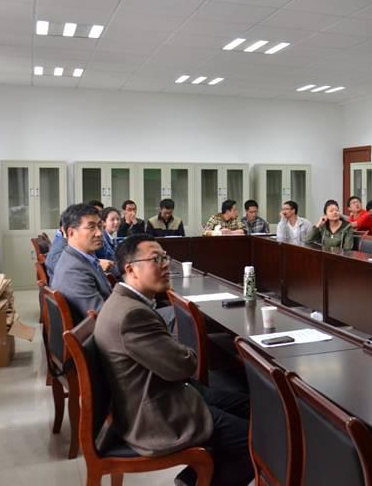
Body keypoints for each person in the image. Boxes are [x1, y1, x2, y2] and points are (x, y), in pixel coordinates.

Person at [94, 234, 252, 486]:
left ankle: (191, 479)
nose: (166, 264)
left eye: (165, 257)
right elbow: (183, 366)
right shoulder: (132, 315)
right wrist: (181, 347)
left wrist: (176, 347)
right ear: (130, 269)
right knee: (253, 443)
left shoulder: (125, 301)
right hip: (156, 415)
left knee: (248, 406)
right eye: (156, 259)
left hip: (158, 395)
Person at [50, 203, 113, 322]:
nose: (99, 233)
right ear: (71, 233)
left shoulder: (84, 257)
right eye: (91, 227)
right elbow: (102, 317)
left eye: (100, 226)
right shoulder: (73, 271)